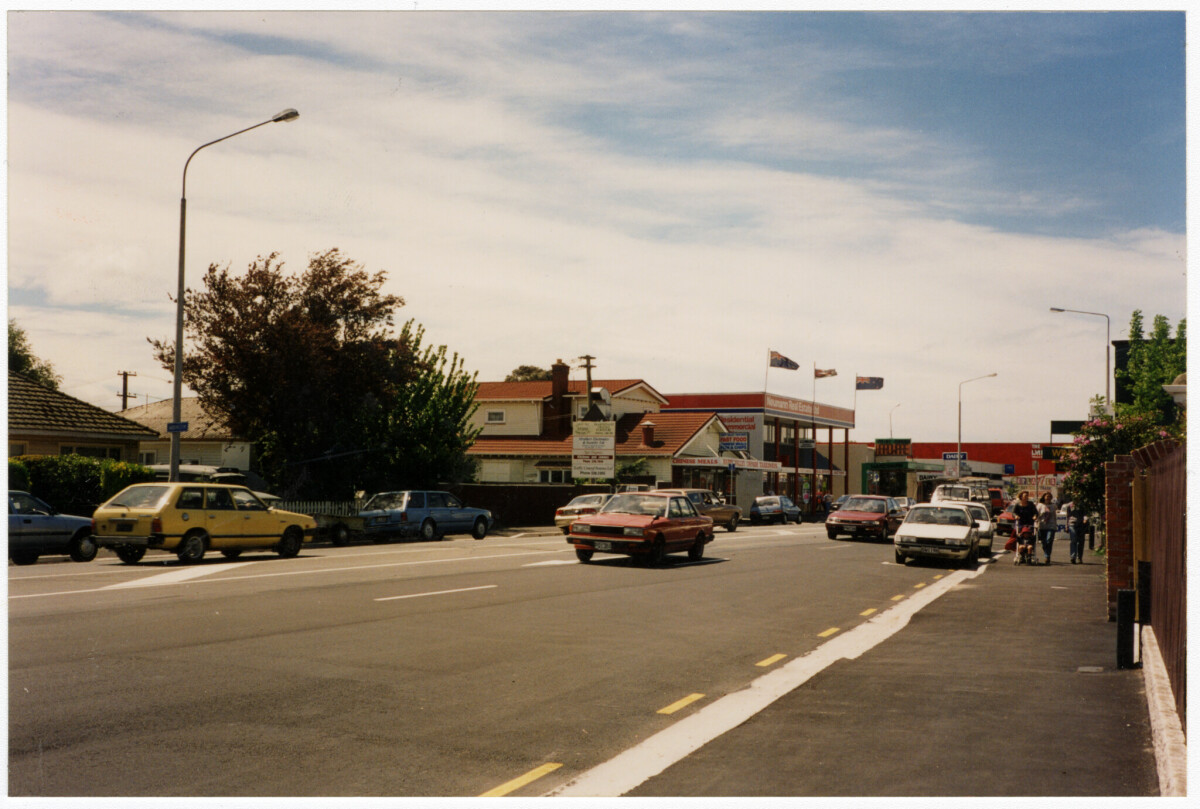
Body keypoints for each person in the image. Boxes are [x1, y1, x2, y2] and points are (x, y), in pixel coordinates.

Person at [1011, 491, 1038, 565]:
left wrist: (1035, 516)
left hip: (1029, 523)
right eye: (1025, 496)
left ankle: (1029, 556)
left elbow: (1036, 512)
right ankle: (1021, 555)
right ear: (1021, 497)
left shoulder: (1031, 504)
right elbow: (1013, 513)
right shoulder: (1017, 505)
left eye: (1027, 496)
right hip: (1021, 523)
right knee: (1020, 537)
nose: (1026, 497)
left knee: (1030, 537)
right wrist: (1015, 516)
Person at [1036, 492, 1057, 565]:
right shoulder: (1040, 505)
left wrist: (1055, 525)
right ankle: (1046, 553)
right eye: (1047, 496)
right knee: (1043, 542)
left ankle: (1047, 556)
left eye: (1049, 496)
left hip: (1051, 525)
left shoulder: (1053, 506)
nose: (1048, 498)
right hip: (1042, 525)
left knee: (1049, 540)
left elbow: (1054, 516)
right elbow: (1036, 515)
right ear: (1044, 497)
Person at [1063, 497, 1083, 563]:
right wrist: (1067, 525)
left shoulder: (1082, 505)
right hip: (1072, 524)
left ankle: (1079, 557)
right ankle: (1073, 557)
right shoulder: (1070, 505)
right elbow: (1068, 516)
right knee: (1073, 539)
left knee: (1080, 542)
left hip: (1080, 524)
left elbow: (1085, 514)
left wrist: (1085, 519)